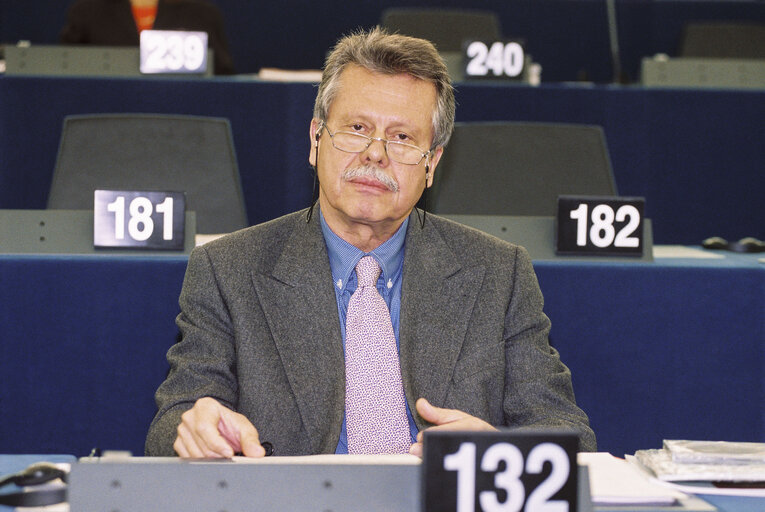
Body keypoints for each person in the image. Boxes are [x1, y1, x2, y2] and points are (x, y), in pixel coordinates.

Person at [145, 27, 596, 458]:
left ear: (432, 163)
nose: (375, 153)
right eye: (357, 128)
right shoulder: (227, 270)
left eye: (402, 138)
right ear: (315, 139)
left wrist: (498, 449)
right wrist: (195, 427)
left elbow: (569, 437)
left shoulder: (499, 273)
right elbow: (173, 422)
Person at [60, 0, 235, 75]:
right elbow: (64, 70)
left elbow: (223, 78)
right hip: (106, 123)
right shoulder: (87, 13)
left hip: (183, 125)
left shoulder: (202, 15)